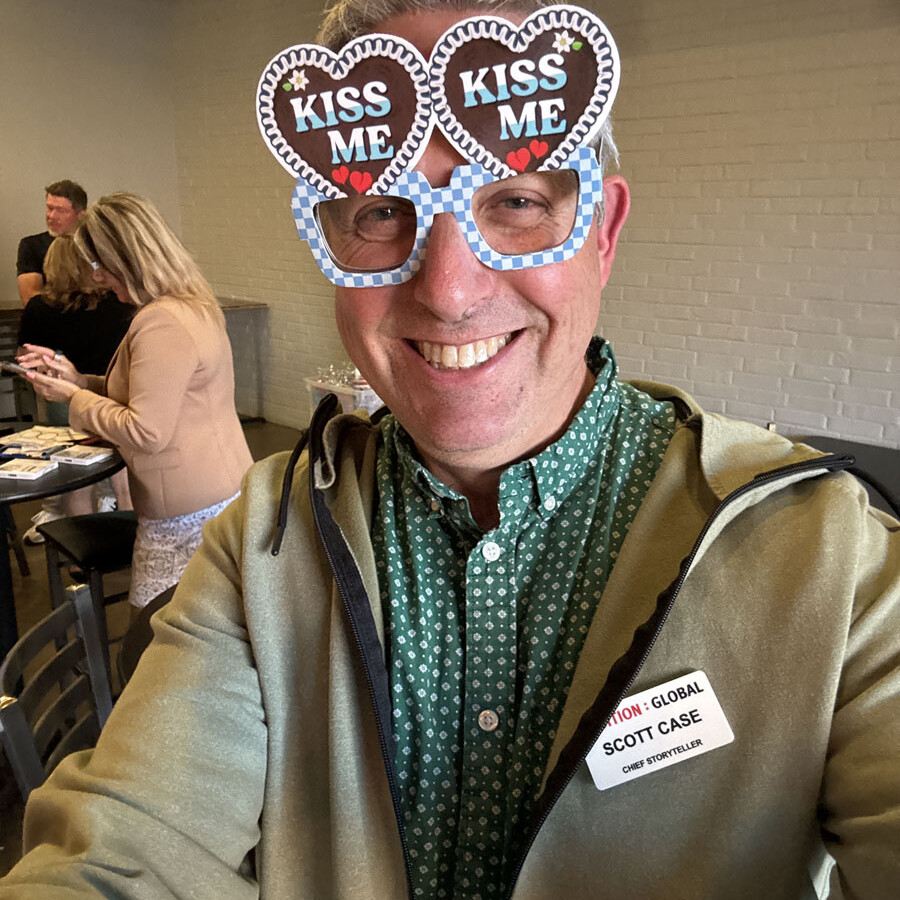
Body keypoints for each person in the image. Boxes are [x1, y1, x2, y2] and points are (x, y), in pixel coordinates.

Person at [2, 3, 898, 899]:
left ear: (603, 233)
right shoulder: (263, 545)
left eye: (512, 200)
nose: (450, 290)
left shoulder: (829, 556)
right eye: (383, 210)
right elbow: (125, 846)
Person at [17, 192, 253, 610]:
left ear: (124, 258)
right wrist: (79, 378)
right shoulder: (190, 304)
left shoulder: (161, 320)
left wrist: (73, 398)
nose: (98, 278)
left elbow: (146, 431)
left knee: (153, 640)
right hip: (214, 492)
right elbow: (151, 390)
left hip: (187, 510)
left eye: (99, 265)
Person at [17, 234, 134, 516]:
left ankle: (75, 549)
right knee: (124, 479)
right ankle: (129, 539)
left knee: (77, 481)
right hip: (113, 396)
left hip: (64, 404)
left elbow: (25, 359)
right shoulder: (118, 304)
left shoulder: (38, 309)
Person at [16, 180, 87, 305]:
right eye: (49, 208)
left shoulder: (94, 245)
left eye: (60, 210)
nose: (51, 216)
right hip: (50, 317)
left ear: (81, 215)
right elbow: (29, 298)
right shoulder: (32, 246)